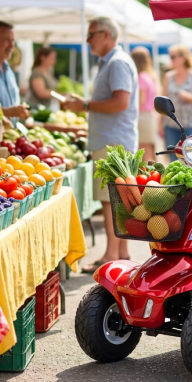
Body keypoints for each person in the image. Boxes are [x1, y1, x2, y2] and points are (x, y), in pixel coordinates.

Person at [63, 17, 139, 272]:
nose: (88, 41)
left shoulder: (116, 62)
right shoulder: (114, 61)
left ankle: (111, 255)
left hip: (113, 142)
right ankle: (121, 252)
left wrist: (84, 105)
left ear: (106, 34)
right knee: (118, 199)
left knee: (111, 200)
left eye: (91, 35)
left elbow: (120, 102)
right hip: (113, 140)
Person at [160, 44, 192, 155]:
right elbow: (163, 102)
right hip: (171, 126)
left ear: (183, 58)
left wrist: (189, 96)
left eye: (173, 57)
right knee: (173, 161)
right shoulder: (168, 77)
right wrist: (160, 125)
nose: (171, 59)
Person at [131, 47, 161, 160]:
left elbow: (140, 100)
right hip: (149, 115)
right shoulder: (150, 76)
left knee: (144, 152)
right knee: (150, 150)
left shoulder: (141, 77)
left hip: (142, 117)